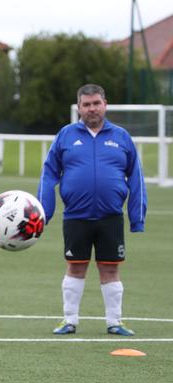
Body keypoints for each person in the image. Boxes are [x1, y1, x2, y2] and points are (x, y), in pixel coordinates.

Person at [37, 83, 147, 336]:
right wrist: (44, 213)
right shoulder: (65, 135)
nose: (92, 108)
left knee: (110, 268)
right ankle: (69, 320)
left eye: (96, 103)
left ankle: (114, 322)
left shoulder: (121, 137)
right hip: (76, 217)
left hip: (111, 218)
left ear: (105, 105)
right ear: (79, 108)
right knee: (75, 266)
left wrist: (137, 218)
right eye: (86, 104)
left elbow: (137, 178)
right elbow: (48, 175)